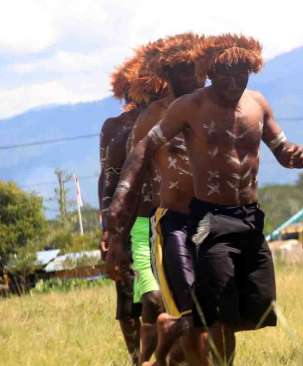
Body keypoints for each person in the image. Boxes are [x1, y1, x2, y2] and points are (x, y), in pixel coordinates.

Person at [107, 33, 303, 365]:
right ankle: (188, 335)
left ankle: (170, 330)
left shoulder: (256, 103)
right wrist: (118, 216)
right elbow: (139, 159)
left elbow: (280, 147)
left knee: (256, 308)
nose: (233, 81)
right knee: (209, 312)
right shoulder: (176, 112)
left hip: (246, 218)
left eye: (240, 72)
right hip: (193, 221)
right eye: (223, 73)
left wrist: (292, 154)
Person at [119, 33, 207, 365]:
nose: (195, 78)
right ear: (166, 76)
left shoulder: (219, 109)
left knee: (220, 317)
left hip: (217, 223)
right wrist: (117, 233)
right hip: (172, 223)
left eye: (198, 70)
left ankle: (168, 340)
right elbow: (132, 177)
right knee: (191, 314)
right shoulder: (148, 121)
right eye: (184, 71)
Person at [99, 47, 166, 365]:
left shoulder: (171, 118)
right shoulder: (114, 127)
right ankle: (137, 358)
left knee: (160, 296)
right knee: (129, 301)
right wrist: (107, 228)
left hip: (162, 217)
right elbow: (107, 181)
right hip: (128, 222)